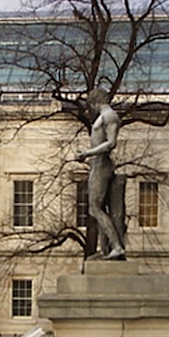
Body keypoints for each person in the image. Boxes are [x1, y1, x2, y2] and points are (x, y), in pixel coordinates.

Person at [75, 88, 126, 260]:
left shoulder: (110, 116)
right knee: (99, 208)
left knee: (94, 208)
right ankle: (108, 249)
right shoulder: (104, 117)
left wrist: (87, 153)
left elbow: (111, 143)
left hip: (102, 166)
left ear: (95, 101)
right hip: (96, 165)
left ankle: (117, 247)